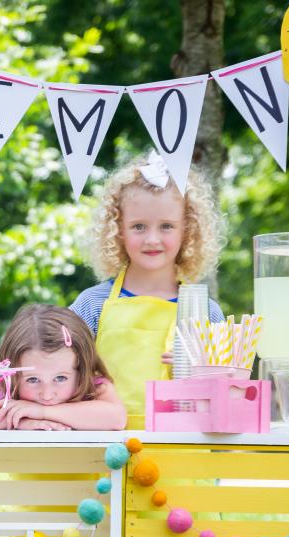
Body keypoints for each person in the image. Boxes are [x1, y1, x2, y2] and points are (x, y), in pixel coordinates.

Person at [69, 151, 225, 428]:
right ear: (118, 230)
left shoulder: (205, 312)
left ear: (187, 231)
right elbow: (61, 373)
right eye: (138, 226)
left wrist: (202, 370)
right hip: (105, 449)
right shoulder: (92, 304)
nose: (152, 239)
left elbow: (229, 393)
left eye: (166, 226)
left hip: (182, 452)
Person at [0, 304, 127, 431]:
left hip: (90, 475)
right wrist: (19, 419)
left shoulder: (92, 386)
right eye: (33, 379)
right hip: (32, 474)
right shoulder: (11, 389)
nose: (47, 395)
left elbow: (116, 418)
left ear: (81, 368)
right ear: (11, 374)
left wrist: (41, 412)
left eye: (60, 378)